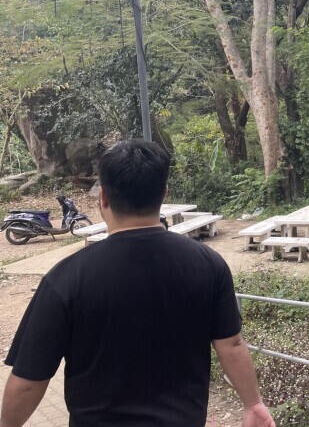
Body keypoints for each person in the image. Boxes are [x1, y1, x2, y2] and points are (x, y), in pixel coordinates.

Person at [1, 140, 274, 427]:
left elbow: (30, 380)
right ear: (164, 193)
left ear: (103, 197)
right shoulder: (209, 264)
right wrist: (253, 404)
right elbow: (231, 344)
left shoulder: (67, 277)